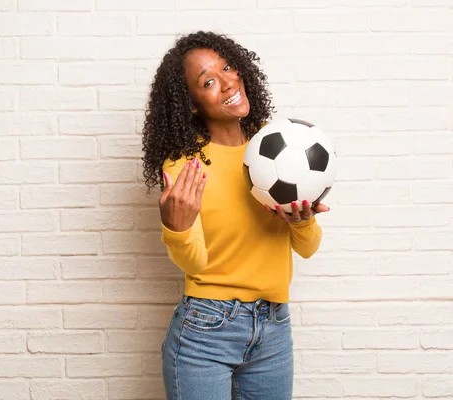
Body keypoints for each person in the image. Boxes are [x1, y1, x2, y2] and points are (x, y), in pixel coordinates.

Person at [141, 31, 330, 400]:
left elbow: (307, 249)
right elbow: (194, 263)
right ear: (192, 104)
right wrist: (176, 228)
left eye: (228, 67)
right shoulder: (184, 166)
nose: (228, 82)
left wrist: (301, 221)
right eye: (208, 81)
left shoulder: (279, 145)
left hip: (274, 329)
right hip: (206, 331)